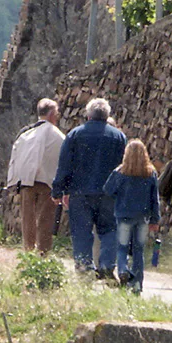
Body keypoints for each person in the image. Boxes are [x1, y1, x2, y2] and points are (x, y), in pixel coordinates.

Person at [51, 97, 127, 277]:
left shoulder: (75, 134)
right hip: (109, 193)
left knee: (82, 231)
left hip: (80, 192)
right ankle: (108, 264)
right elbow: (124, 166)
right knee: (109, 229)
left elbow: (64, 165)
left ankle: (85, 268)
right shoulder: (118, 137)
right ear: (107, 115)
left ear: (88, 114)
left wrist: (58, 190)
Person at [5, 98, 65, 254]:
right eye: (56, 113)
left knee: (28, 218)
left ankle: (28, 251)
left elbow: (15, 158)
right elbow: (63, 161)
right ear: (52, 114)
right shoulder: (58, 136)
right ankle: (42, 253)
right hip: (47, 183)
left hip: (26, 182)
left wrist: (14, 181)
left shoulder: (25, 135)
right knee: (45, 219)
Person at [103, 139, 161, 293]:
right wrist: (155, 219)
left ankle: (122, 269)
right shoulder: (150, 173)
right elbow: (154, 198)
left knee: (122, 247)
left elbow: (107, 189)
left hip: (123, 215)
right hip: (142, 217)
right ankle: (137, 284)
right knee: (138, 250)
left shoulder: (120, 172)